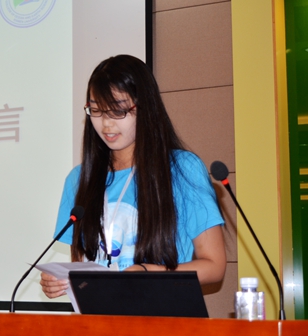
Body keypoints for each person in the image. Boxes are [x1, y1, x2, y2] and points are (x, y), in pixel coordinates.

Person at [40, 55, 226, 299]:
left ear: (145, 107)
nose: (106, 123)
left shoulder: (182, 168)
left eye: (118, 110)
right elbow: (81, 266)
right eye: (96, 110)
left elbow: (214, 266)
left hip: (161, 316)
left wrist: (149, 273)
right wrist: (62, 280)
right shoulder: (78, 180)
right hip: (97, 318)